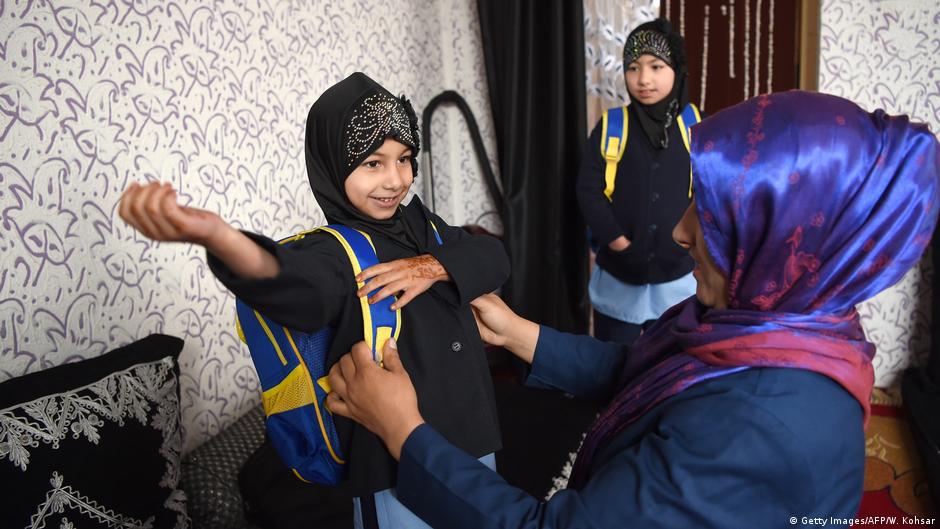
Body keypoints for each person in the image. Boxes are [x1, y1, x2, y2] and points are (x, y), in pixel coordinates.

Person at [325, 90, 940, 528]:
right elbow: (644, 369)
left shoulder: (754, 434)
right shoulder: (775, 315)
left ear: (782, 242)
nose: (679, 231)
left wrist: (405, 432)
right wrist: (521, 335)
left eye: (712, 217)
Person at [118, 72, 508, 529]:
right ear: (332, 165)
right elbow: (293, 285)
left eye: (404, 159)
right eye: (373, 163)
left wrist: (434, 266)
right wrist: (218, 236)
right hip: (398, 463)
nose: (396, 179)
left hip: (474, 438)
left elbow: (493, 257)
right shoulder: (334, 254)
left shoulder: (423, 224)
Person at [577, 18, 699, 344]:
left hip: (678, 282)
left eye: (656, 66)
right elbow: (588, 190)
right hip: (619, 277)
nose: (643, 79)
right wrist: (618, 243)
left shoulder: (695, 128)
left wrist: (686, 246)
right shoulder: (611, 126)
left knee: (670, 372)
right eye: (633, 67)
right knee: (614, 370)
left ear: (677, 69)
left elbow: (707, 194)